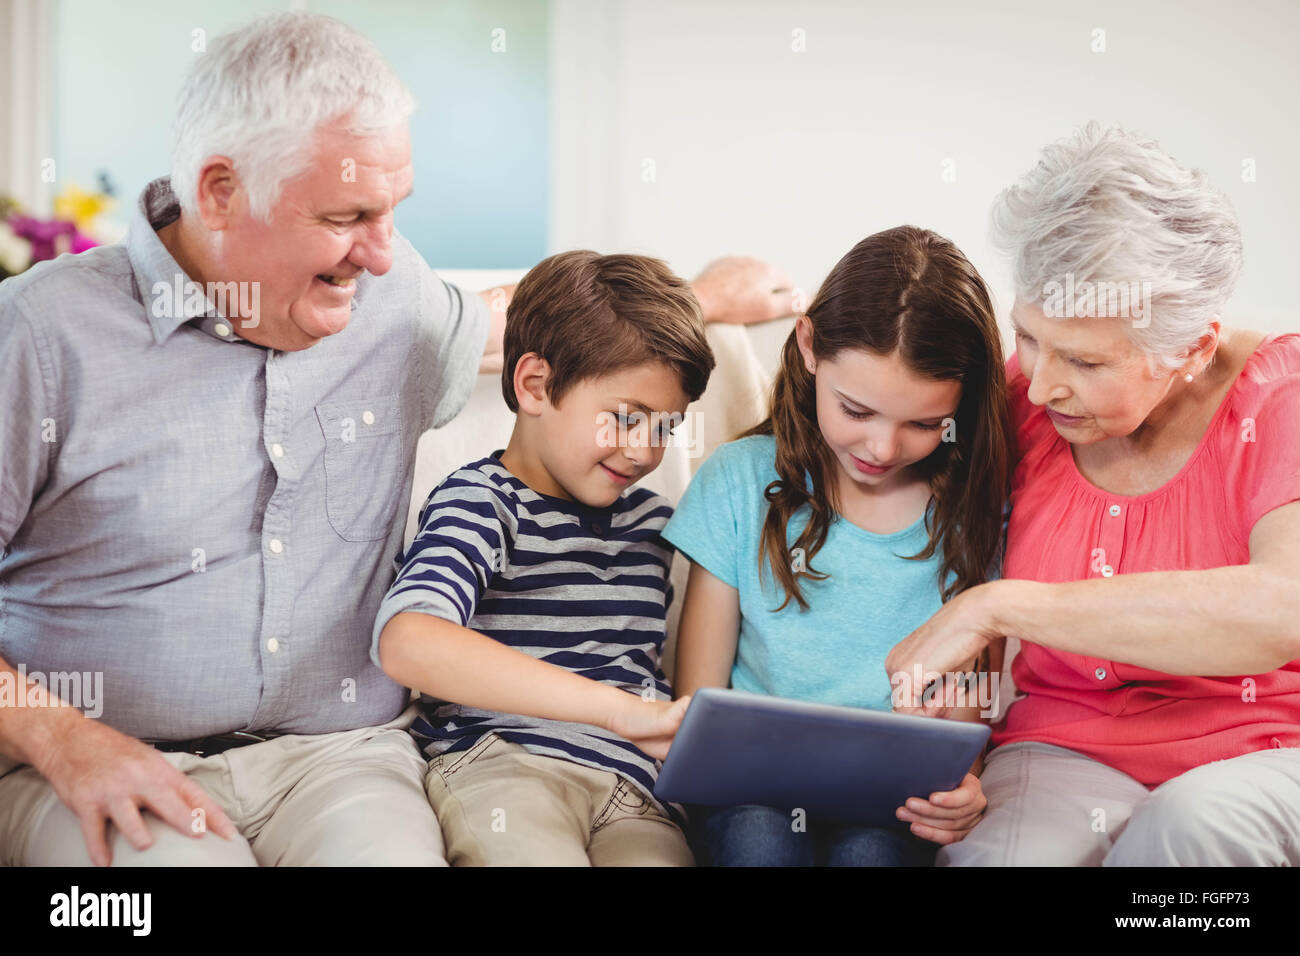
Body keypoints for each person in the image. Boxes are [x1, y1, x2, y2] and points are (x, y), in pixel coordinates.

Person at [0, 11, 793, 867]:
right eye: (348, 216)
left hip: (342, 761)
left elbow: (525, 333)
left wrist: (698, 293)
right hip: (109, 764)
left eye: (393, 212)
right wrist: (65, 741)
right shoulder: (43, 338)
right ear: (221, 192)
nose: (383, 256)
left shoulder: (389, 295)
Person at [886, 123, 1300, 866]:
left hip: (1266, 746)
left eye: (1083, 359)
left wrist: (1001, 605)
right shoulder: (1028, 397)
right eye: (1030, 338)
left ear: (1193, 349)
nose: (1040, 386)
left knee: (1191, 826)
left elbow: (1283, 609)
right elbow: (860, 434)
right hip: (1064, 749)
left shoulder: (1282, 398)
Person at [664, 226, 1012, 866]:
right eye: (856, 411)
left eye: (923, 424)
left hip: (891, 801)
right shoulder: (740, 482)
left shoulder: (976, 511)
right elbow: (699, 704)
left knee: (869, 855)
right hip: (748, 795)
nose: (882, 448)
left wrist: (965, 784)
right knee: (760, 843)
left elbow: (968, 717)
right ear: (807, 346)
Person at [374, 250, 712, 866]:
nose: (643, 452)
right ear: (534, 384)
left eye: (665, 427)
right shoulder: (483, 503)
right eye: (626, 419)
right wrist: (623, 712)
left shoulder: (656, 524)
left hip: (637, 791)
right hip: (507, 767)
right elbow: (410, 641)